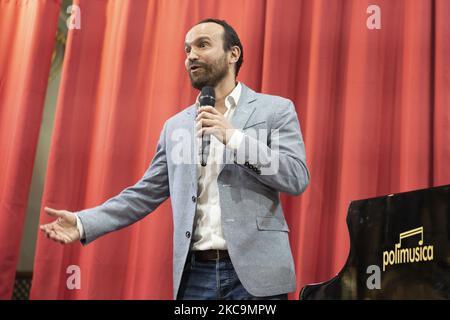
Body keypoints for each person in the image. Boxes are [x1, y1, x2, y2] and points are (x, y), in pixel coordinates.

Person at [40, 18, 310, 300]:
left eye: (202, 45)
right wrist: (84, 222)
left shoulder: (275, 110)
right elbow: (143, 194)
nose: (191, 55)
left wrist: (235, 138)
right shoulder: (176, 126)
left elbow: (295, 176)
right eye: (187, 49)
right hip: (195, 277)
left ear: (233, 54)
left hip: (258, 274)